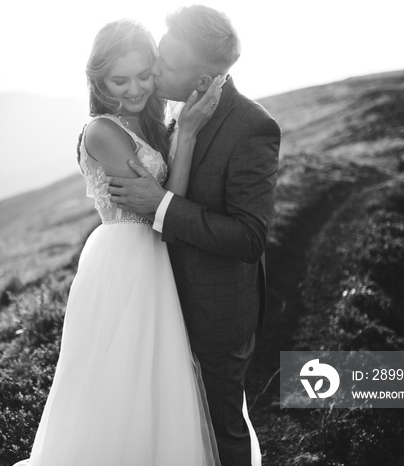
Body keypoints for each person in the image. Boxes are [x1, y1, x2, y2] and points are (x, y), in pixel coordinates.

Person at [13, 19, 223, 465]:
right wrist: (185, 136)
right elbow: (165, 208)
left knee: (162, 382)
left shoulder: (153, 121)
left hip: (161, 258)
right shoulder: (102, 132)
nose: (134, 89)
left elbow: (167, 206)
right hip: (127, 263)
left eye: (144, 75)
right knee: (123, 384)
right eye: (119, 80)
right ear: (99, 80)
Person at [107, 5, 281, 466]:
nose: (154, 68)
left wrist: (159, 204)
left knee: (222, 431)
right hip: (164, 305)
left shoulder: (253, 128)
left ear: (204, 79)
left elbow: (249, 237)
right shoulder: (174, 116)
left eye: (166, 64)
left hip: (216, 316)